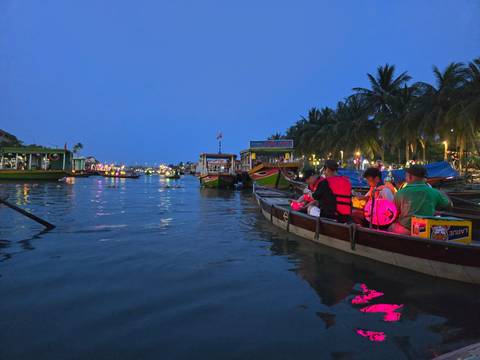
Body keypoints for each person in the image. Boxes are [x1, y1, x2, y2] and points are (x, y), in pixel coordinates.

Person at [388, 164, 452, 235]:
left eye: (406, 175)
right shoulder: (434, 192)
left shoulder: (400, 193)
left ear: (410, 177)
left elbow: (393, 215)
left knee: (391, 227)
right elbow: (449, 206)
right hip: (426, 231)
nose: (405, 177)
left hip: (406, 231)